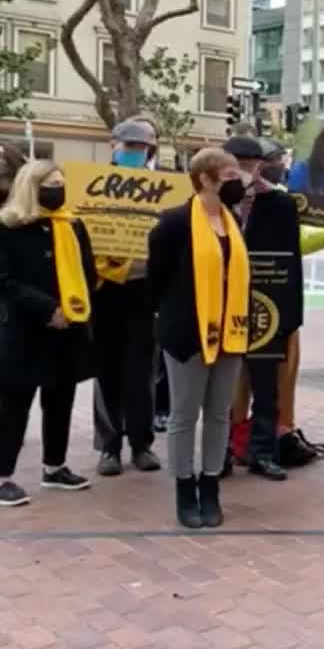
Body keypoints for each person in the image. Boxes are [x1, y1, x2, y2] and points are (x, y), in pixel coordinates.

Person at [148, 148, 252, 528]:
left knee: (219, 415)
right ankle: (184, 488)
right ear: (205, 179)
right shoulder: (174, 223)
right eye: (229, 175)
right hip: (187, 334)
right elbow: (156, 280)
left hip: (231, 332)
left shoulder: (234, 221)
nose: (237, 182)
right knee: (184, 415)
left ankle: (210, 486)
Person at [0, 160, 97, 507]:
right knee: (14, 404)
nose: (58, 190)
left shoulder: (73, 225)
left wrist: (76, 309)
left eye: (60, 183)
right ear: (30, 186)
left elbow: (87, 270)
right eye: (50, 184)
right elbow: (6, 282)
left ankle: (54, 468)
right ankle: (3, 475)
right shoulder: (9, 227)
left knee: (60, 399)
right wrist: (47, 308)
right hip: (25, 329)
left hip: (67, 328)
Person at [220, 136, 302, 482]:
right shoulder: (208, 203)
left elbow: (292, 261)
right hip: (221, 307)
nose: (243, 168)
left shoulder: (280, 204)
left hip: (266, 307)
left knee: (266, 386)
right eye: (236, 161)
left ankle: (263, 452)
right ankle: (219, 453)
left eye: (251, 162)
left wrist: (289, 316)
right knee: (220, 387)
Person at [93, 119, 162, 476]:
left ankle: (141, 443)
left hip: (143, 289)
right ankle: (108, 445)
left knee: (142, 370)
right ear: (114, 145)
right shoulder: (91, 187)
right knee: (106, 368)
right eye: (129, 146)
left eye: (142, 148)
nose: (135, 152)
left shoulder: (164, 189)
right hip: (103, 288)